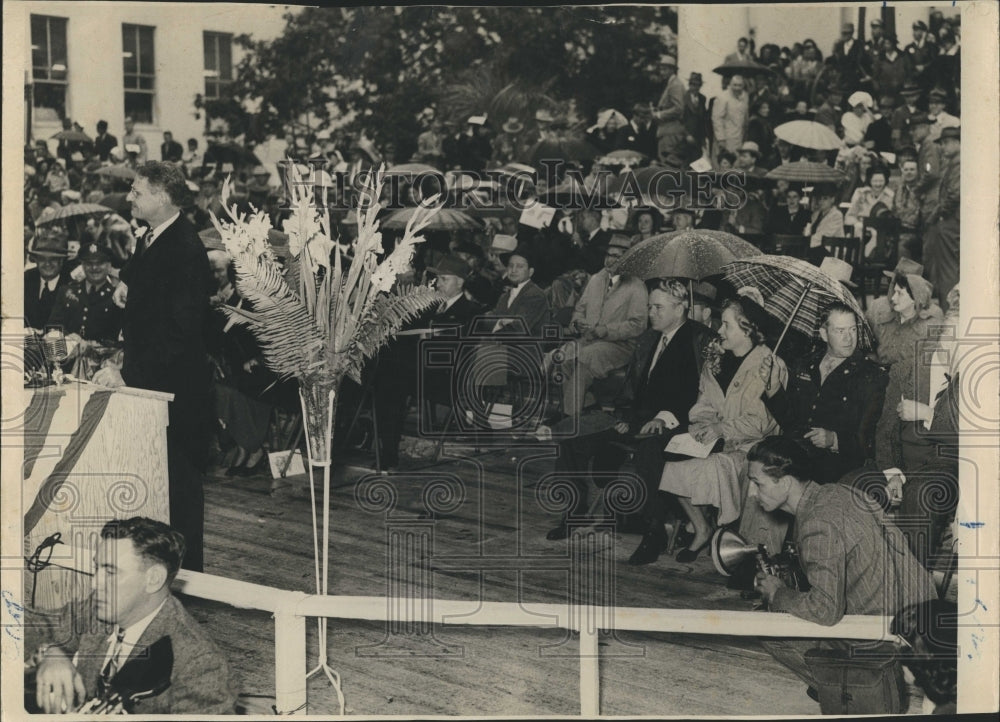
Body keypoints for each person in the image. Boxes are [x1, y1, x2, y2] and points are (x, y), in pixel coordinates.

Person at [748, 437, 937, 706]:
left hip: (890, 635)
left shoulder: (816, 523)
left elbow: (826, 610)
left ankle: (842, 685)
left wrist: (778, 594)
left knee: (766, 626)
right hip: (922, 614)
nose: (754, 492)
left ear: (786, 482)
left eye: (758, 483)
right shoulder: (840, 491)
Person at [93, 162, 214, 572]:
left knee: (179, 493)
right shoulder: (156, 237)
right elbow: (141, 285)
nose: (129, 197)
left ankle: (189, 584)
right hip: (154, 387)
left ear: (162, 197)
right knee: (156, 487)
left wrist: (130, 375)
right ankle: (161, 576)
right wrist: (125, 287)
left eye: (137, 191)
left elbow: (181, 334)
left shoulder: (185, 249)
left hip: (176, 393)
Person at [545, 279, 713, 543]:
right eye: (649, 307)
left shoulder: (698, 340)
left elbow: (698, 394)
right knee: (571, 437)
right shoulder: (649, 338)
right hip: (637, 419)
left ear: (680, 308)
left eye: (658, 308)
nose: (651, 313)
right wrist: (625, 416)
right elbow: (634, 387)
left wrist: (662, 418)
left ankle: (654, 531)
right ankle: (574, 514)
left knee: (650, 452)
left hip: (678, 423)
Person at [25, 517, 238, 714]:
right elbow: (21, 623)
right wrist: (49, 651)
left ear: (154, 579)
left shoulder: (200, 664)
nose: (95, 583)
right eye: (96, 568)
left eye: (110, 572)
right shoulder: (98, 609)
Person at [739, 300, 887, 557]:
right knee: (761, 465)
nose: (849, 337)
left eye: (852, 330)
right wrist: (773, 387)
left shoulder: (870, 375)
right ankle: (754, 555)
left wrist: (834, 439)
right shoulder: (804, 365)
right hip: (799, 451)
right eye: (840, 330)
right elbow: (791, 421)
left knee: (785, 478)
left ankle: (783, 560)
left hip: (839, 460)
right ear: (823, 333)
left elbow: (871, 439)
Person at [646, 291, 784, 565]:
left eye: (727, 325)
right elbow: (703, 403)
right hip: (714, 438)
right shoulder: (716, 360)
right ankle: (701, 527)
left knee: (712, 467)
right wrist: (702, 425)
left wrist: (720, 429)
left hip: (749, 446)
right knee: (672, 464)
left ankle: (727, 532)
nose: (719, 330)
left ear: (747, 329)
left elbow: (761, 423)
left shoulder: (768, 364)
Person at [548, 237, 648, 418]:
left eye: (617, 256)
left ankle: (569, 417)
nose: (610, 260)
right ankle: (586, 405)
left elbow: (638, 325)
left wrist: (607, 330)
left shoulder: (636, 285)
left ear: (628, 259)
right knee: (562, 357)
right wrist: (577, 323)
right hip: (588, 339)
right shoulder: (595, 279)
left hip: (620, 346)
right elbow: (579, 310)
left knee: (586, 358)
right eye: (609, 255)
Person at [872, 273, 940, 471]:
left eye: (900, 294)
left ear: (916, 298)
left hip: (907, 391)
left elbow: (928, 373)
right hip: (880, 380)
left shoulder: (930, 327)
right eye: (894, 291)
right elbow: (870, 349)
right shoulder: (882, 317)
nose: (893, 298)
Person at [48, 242, 124, 347]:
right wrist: (69, 340)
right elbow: (53, 326)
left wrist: (87, 345)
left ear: (109, 266)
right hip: (66, 356)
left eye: (100, 263)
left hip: (103, 359)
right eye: (89, 263)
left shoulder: (117, 298)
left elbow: (118, 340)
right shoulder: (66, 291)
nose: (94, 268)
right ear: (83, 266)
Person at [921, 126, 959, 309]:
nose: (943, 147)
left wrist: (938, 214)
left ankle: (949, 310)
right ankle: (949, 308)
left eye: (945, 143)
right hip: (951, 220)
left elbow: (953, 196)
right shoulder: (954, 163)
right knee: (948, 268)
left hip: (951, 222)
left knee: (948, 269)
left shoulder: (958, 164)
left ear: (957, 143)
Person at [24, 229, 71, 330]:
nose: (47, 264)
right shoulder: (25, 279)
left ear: (62, 261)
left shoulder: (71, 284)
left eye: (53, 259)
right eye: (42, 259)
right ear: (35, 260)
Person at [652, 53, 686, 164]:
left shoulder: (675, 85)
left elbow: (678, 108)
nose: (662, 72)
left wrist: (659, 114)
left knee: (668, 164)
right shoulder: (670, 84)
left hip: (671, 132)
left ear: (672, 70)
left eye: (665, 69)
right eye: (661, 69)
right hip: (667, 131)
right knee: (666, 163)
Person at [891, 154, 924, 261]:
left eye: (912, 169)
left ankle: (904, 277)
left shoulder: (922, 190)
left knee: (902, 246)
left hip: (916, 232)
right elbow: (894, 210)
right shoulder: (898, 189)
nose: (909, 172)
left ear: (917, 171)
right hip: (898, 230)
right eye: (906, 170)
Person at [844, 166, 894, 235]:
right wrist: (858, 224)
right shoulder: (860, 193)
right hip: (861, 229)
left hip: (880, 231)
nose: (878, 184)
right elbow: (850, 216)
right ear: (870, 181)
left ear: (885, 181)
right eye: (875, 181)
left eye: (881, 181)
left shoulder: (890, 196)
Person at [711, 74, 749, 154]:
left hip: (740, 138)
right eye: (735, 85)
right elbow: (717, 119)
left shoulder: (745, 96)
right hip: (726, 138)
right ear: (730, 85)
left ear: (743, 86)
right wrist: (721, 139)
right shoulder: (722, 97)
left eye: (740, 85)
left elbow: (745, 117)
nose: (737, 88)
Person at [806, 184, 845, 253]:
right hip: (817, 250)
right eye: (820, 199)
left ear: (832, 199)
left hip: (831, 253)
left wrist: (805, 241)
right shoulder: (817, 214)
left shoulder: (836, 215)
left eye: (825, 198)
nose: (821, 202)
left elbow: (823, 236)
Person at [682, 72, 708, 162]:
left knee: (696, 165)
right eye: (693, 84)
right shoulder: (683, 97)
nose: (695, 87)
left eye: (697, 85)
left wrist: (704, 141)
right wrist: (687, 134)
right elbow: (679, 119)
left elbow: (703, 120)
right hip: (684, 139)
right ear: (689, 84)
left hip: (698, 139)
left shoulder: (702, 99)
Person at [905, 20, 938, 91]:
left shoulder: (930, 46)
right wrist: (914, 68)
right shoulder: (908, 47)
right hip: (914, 80)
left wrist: (924, 66)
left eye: (917, 30)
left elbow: (933, 61)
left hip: (928, 79)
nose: (914, 33)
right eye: (914, 30)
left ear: (923, 32)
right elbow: (907, 62)